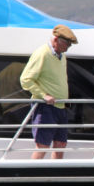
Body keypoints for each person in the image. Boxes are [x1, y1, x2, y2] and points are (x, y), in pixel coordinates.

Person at [19, 24, 78, 159]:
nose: (67, 48)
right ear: (56, 40)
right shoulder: (42, 53)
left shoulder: (61, 56)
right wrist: (44, 95)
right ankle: (31, 178)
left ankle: (56, 177)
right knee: (43, 145)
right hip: (45, 107)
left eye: (70, 45)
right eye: (67, 44)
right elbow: (26, 79)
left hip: (60, 106)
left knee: (61, 144)